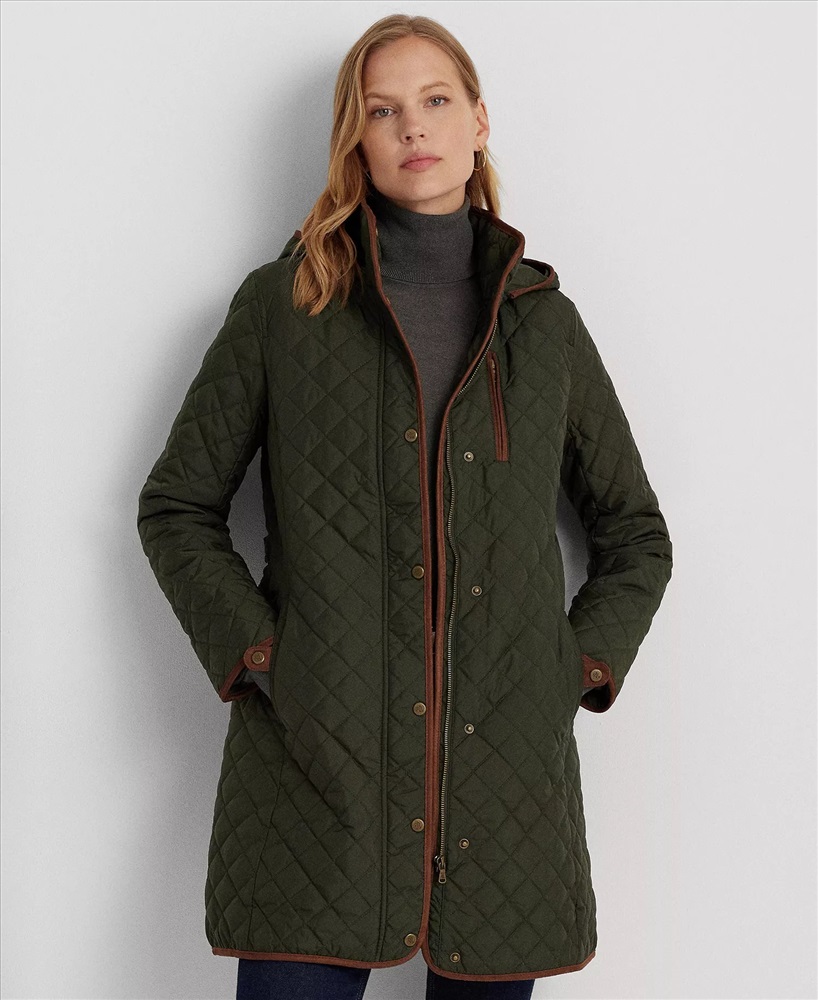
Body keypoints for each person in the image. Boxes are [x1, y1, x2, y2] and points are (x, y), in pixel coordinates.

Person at [137, 13, 673, 1000]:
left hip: (503, 791)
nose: (412, 127)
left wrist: (573, 666)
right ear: (356, 139)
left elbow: (634, 532)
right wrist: (263, 657)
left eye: (433, 100)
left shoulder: (542, 322)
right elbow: (177, 505)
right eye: (381, 111)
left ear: (477, 121)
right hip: (313, 779)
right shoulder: (284, 306)